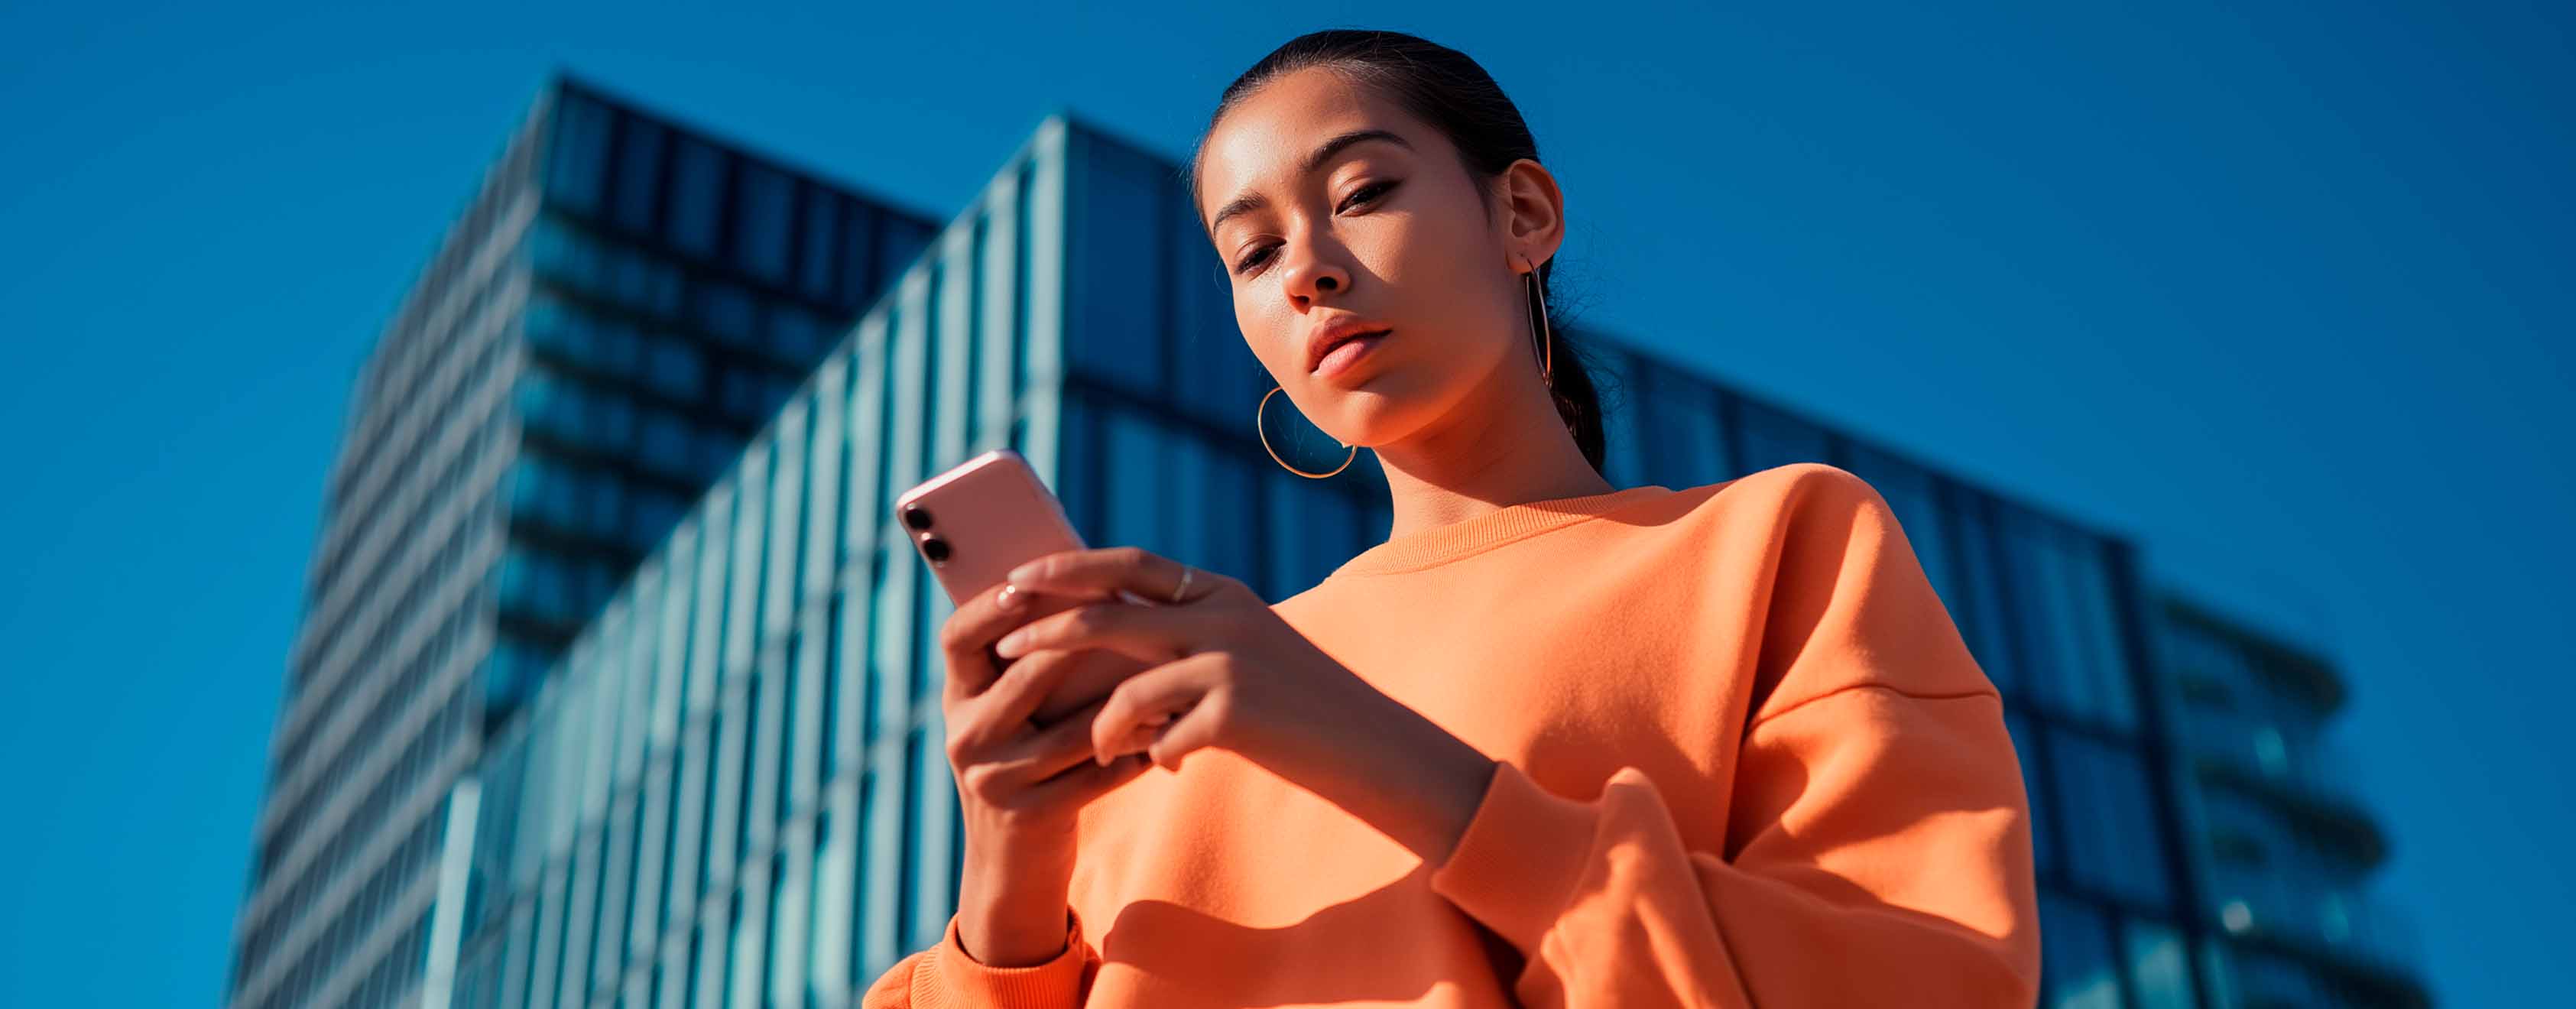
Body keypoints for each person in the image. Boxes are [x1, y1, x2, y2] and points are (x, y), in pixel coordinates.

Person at [864, 28, 2040, 1008]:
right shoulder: (1166, 711)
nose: (1306, 271)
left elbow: (1926, 980)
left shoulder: (1772, 544)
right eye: (1253, 251)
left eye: (1362, 193)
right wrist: (1008, 885)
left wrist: (1378, 753)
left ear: (1522, 213)